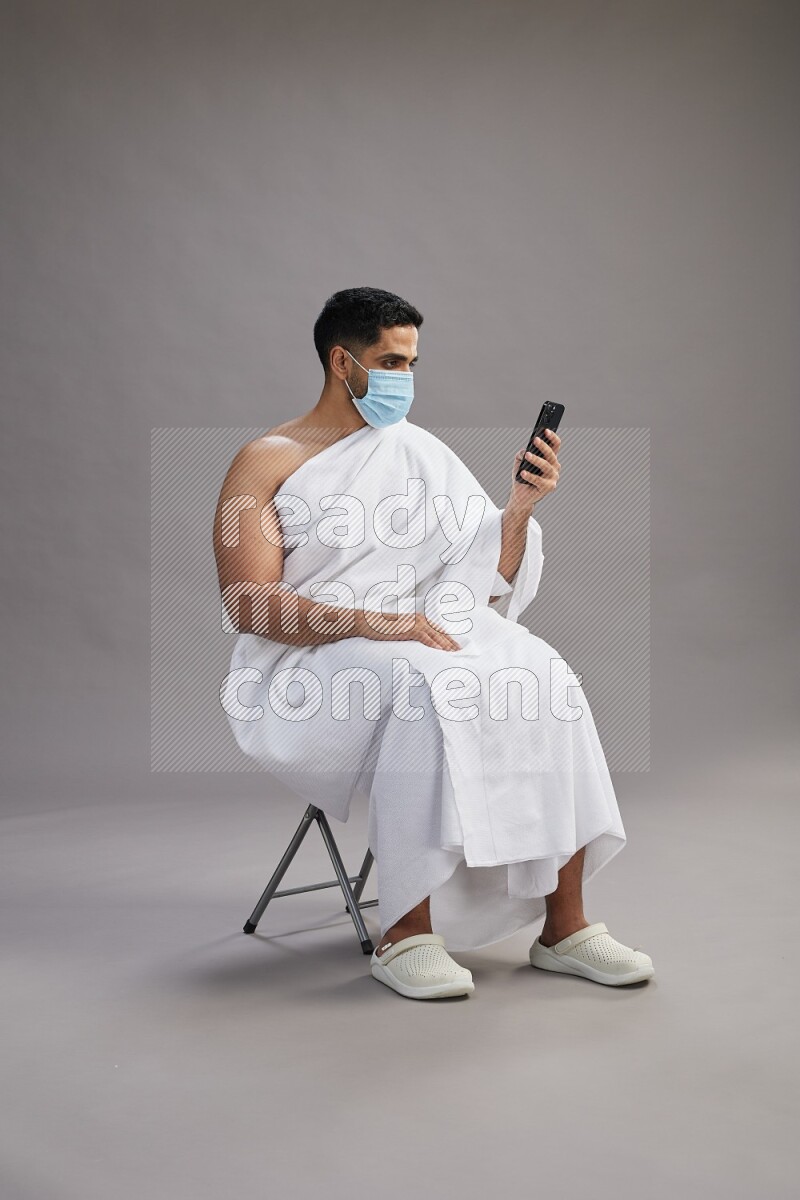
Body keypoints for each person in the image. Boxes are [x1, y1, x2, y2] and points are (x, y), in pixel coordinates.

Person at [214, 286, 654, 1000]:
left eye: (412, 364)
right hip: (305, 661)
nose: (405, 379)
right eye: (391, 362)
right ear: (342, 362)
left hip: (418, 629)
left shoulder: (417, 452)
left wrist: (520, 508)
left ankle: (564, 928)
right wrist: (380, 623)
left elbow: (483, 583)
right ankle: (406, 932)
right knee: (422, 686)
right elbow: (249, 604)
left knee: (544, 672)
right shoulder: (265, 461)